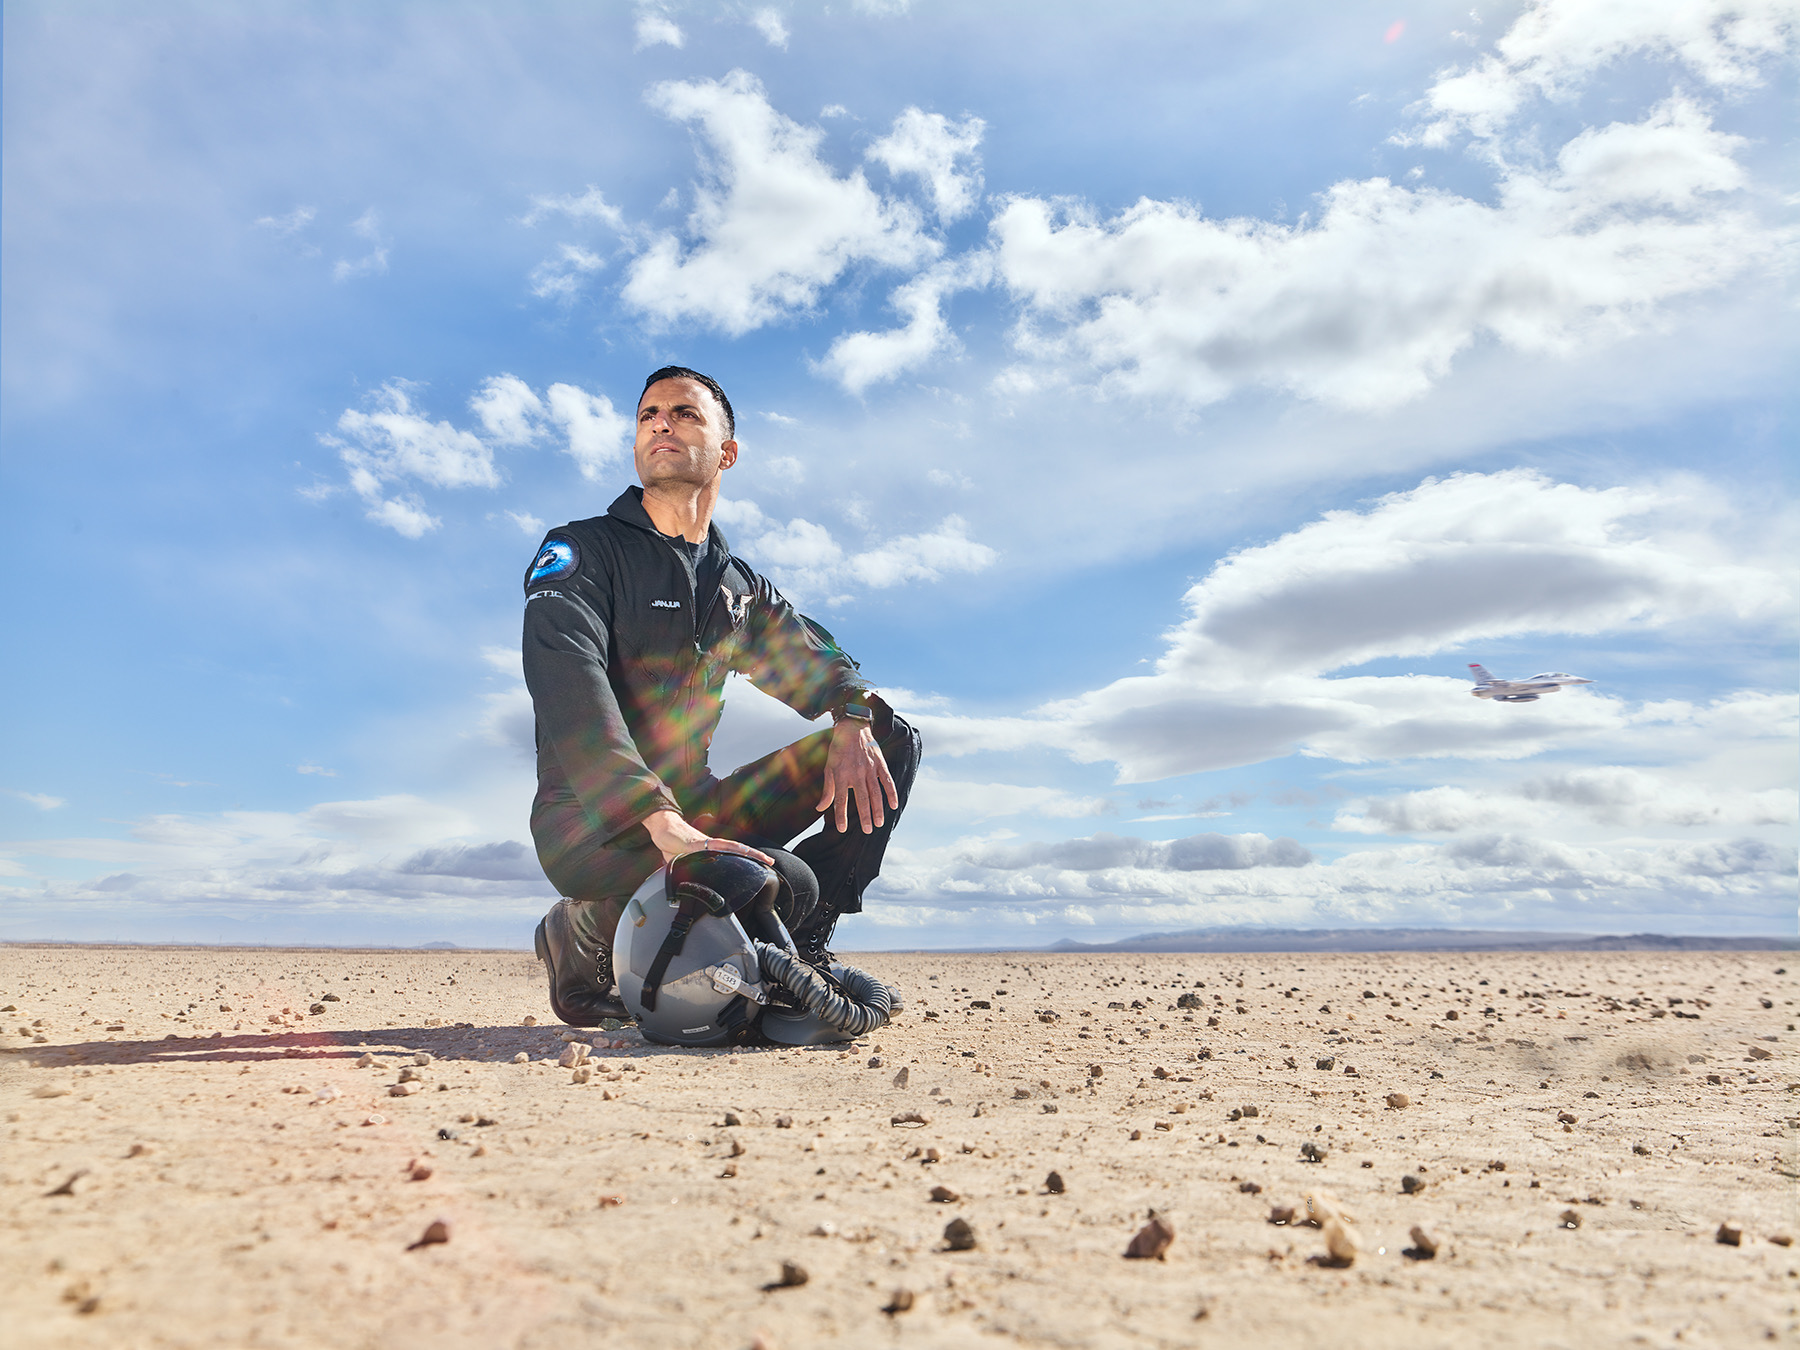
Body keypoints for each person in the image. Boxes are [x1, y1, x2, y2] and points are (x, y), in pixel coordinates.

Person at [522, 365, 921, 1026]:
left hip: (696, 810)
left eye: (683, 413)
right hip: (592, 821)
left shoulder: (735, 586)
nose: (661, 424)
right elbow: (569, 680)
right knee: (756, 880)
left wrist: (851, 717)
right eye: (649, 414)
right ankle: (586, 927)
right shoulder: (583, 550)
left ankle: (807, 951)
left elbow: (819, 664)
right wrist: (656, 817)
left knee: (884, 740)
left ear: (727, 453)